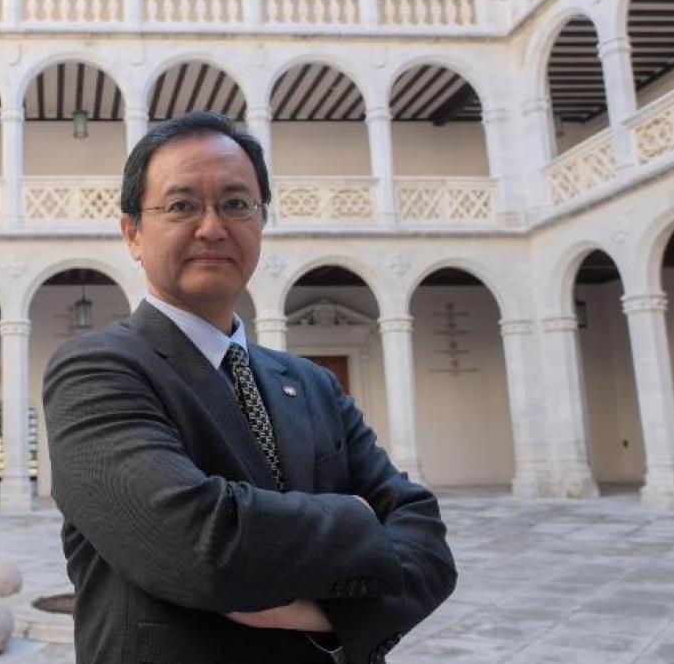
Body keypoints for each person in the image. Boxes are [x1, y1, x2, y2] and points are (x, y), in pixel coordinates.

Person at [43, 111, 456, 664]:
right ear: (133, 232)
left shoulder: (311, 383)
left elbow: (427, 539)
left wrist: (329, 614)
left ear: (261, 221)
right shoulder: (97, 371)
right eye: (182, 204)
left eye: (236, 204)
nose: (212, 227)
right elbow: (201, 547)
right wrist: (360, 513)